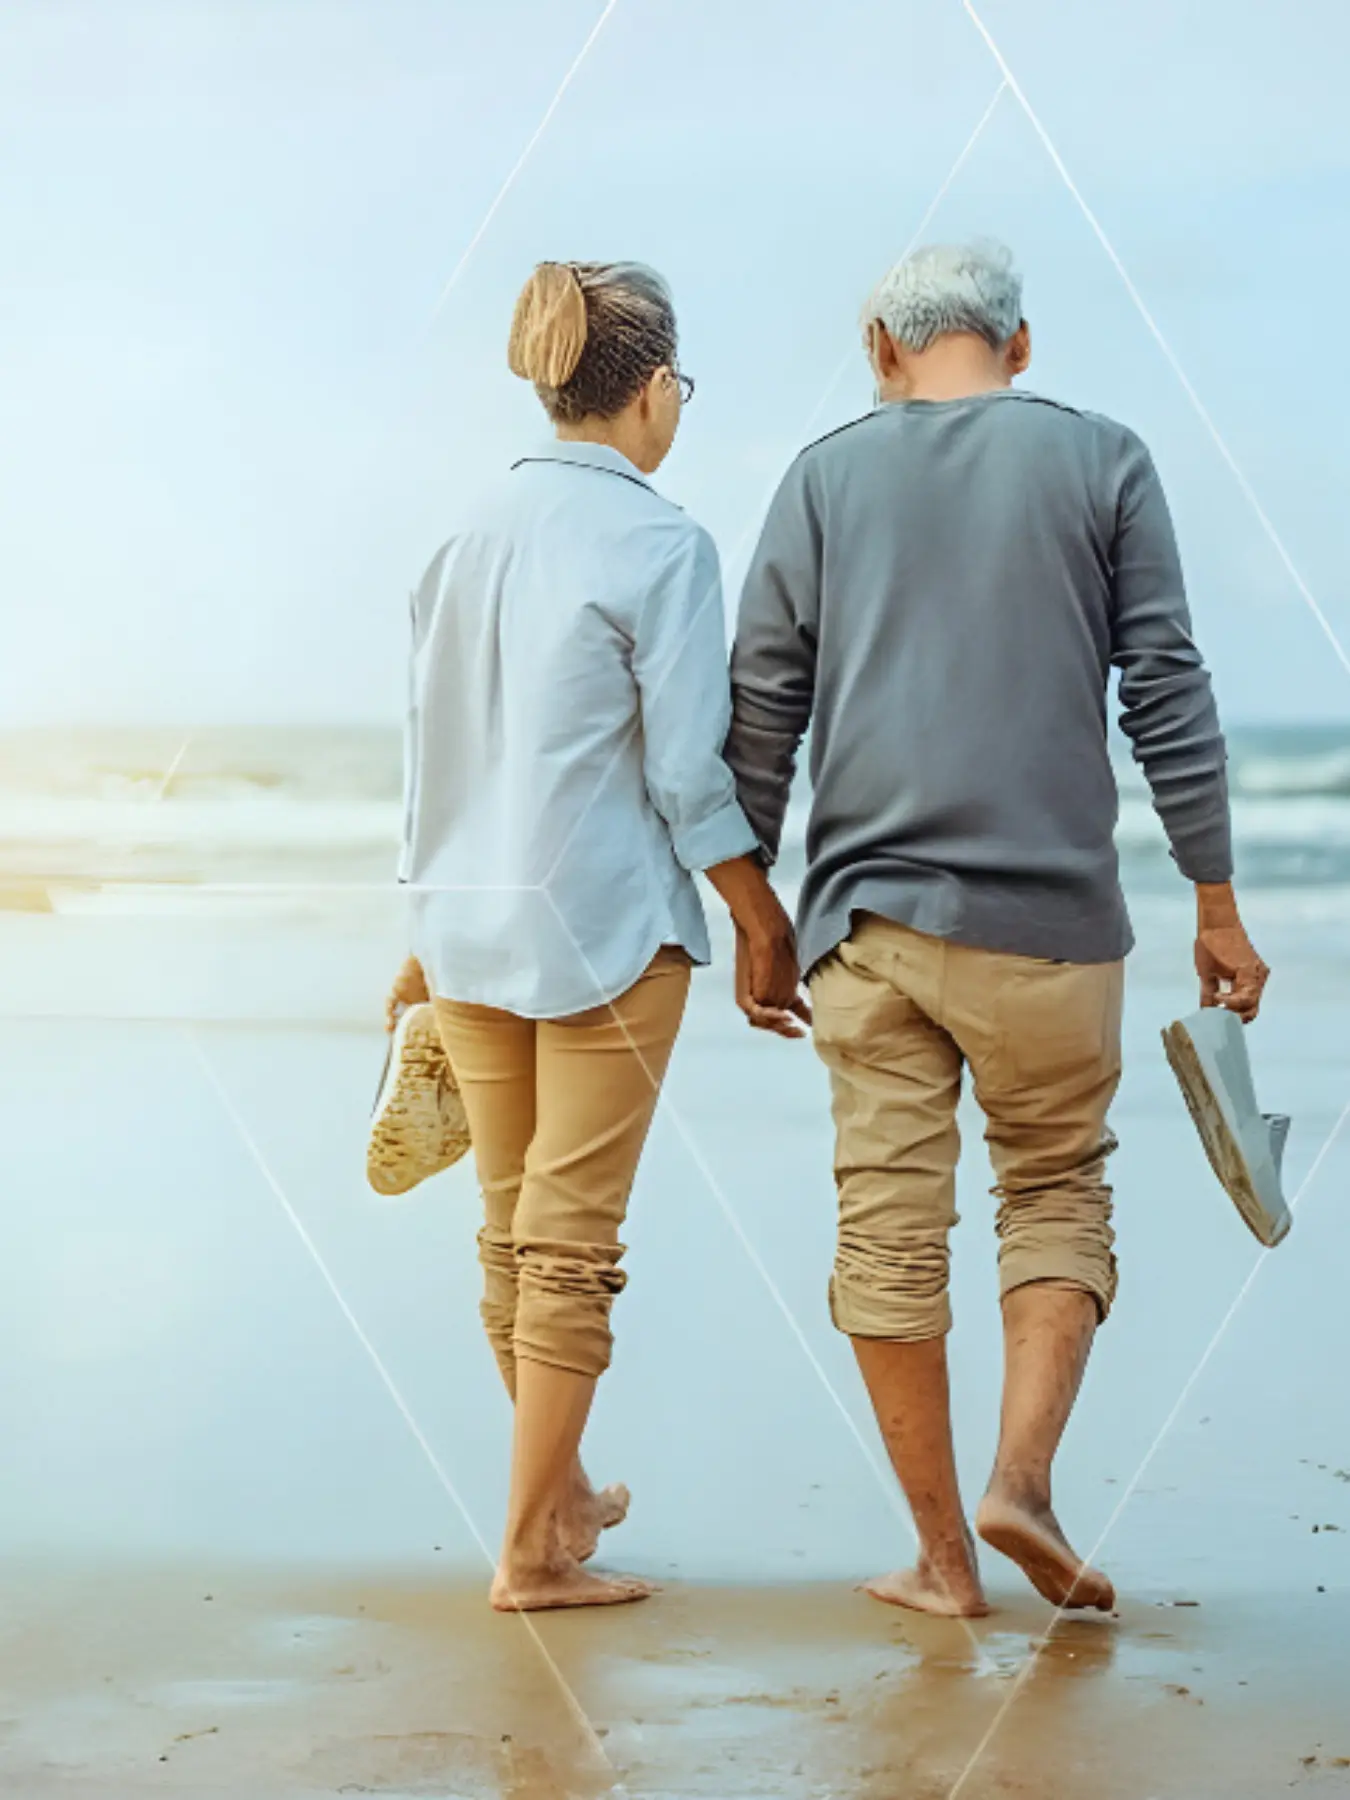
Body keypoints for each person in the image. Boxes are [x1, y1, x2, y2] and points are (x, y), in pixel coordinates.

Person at [723, 239, 1268, 1618]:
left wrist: (755, 910)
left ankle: (942, 1562)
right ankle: (1019, 1483)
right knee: (1056, 1190)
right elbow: (1165, 689)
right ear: (1020, 347)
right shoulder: (1106, 460)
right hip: (1052, 926)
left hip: (869, 926)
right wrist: (1213, 899)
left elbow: (762, 705)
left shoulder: (823, 477)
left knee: (887, 1228)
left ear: (880, 350)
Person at [388, 260, 802, 1612]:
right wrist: (755, 913)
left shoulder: (461, 533)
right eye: (680, 386)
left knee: (510, 1231)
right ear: (654, 389)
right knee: (568, 1244)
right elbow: (686, 772)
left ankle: (555, 1503)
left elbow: (426, 759)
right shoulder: (661, 544)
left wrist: (416, 930)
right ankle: (527, 1554)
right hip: (607, 931)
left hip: (465, 923)